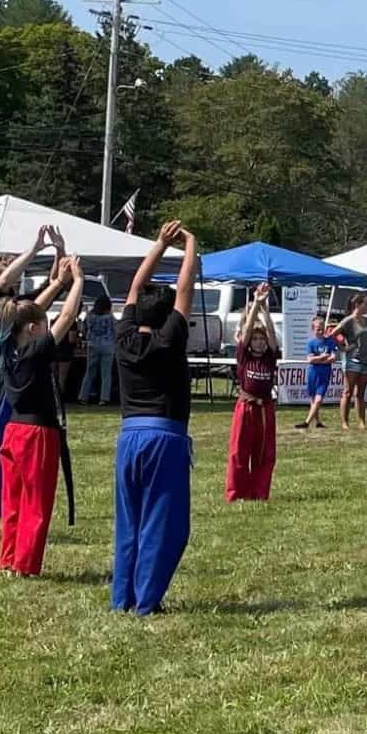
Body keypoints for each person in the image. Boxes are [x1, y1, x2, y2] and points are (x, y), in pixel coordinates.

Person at [112, 221, 200, 615]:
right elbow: (185, 289)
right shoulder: (170, 339)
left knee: (129, 520)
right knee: (163, 523)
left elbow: (135, 286)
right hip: (165, 437)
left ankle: (122, 598)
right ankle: (147, 601)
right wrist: (191, 244)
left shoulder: (124, 337)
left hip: (129, 436)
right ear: (167, 317)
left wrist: (160, 245)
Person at [0, 255, 87, 577]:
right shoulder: (35, 350)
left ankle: (8, 558)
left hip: (13, 430)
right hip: (38, 434)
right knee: (37, 501)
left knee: (13, 500)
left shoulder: (5, 348)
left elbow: (29, 313)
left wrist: (58, 283)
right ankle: (25, 563)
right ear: (34, 329)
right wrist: (77, 281)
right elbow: (68, 315)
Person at [0, 227, 65, 520]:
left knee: (18, 450)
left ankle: (14, 503)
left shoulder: (18, 307)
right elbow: (4, 281)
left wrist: (59, 251)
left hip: (22, 381)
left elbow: (52, 287)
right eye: (11, 268)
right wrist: (35, 248)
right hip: (0, 387)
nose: (16, 275)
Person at [227, 283, 281, 502]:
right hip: (246, 407)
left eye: (261, 339)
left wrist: (264, 309)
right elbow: (247, 331)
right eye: (255, 340)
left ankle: (259, 492)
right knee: (239, 451)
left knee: (264, 453)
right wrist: (255, 304)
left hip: (264, 408)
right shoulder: (244, 357)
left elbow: (272, 334)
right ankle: (237, 492)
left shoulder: (269, 357)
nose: (259, 343)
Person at [335, 296, 367, 430]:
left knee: (361, 394)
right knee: (348, 392)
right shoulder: (348, 320)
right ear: (357, 305)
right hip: (352, 361)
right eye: (365, 304)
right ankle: (344, 422)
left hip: (366, 361)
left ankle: (361, 422)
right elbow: (332, 334)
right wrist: (343, 348)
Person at [297, 316, 339, 430]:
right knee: (313, 400)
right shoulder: (311, 343)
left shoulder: (330, 341)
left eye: (322, 329)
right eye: (318, 329)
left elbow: (333, 358)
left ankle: (306, 422)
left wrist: (319, 360)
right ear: (313, 329)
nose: (320, 332)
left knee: (319, 399)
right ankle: (318, 422)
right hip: (313, 373)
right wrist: (323, 357)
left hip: (324, 374)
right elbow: (310, 360)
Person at [79, 295, 117, 405]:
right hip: (108, 345)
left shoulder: (89, 316)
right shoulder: (110, 317)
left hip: (92, 345)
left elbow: (84, 329)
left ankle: (83, 397)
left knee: (89, 372)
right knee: (106, 373)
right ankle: (104, 398)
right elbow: (115, 330)